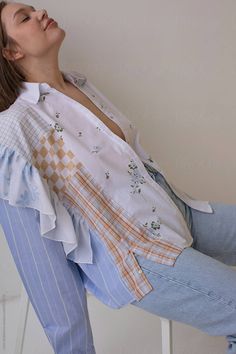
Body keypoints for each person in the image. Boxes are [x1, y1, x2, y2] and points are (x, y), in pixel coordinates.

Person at [0, 2, 236, 353]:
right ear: (11, 50)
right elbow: (36, 257)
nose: (39, 13)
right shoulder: (15, 131)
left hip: (177, 214)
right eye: (25, 17)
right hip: (136, 253)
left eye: (34, 8)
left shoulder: (79, 84)